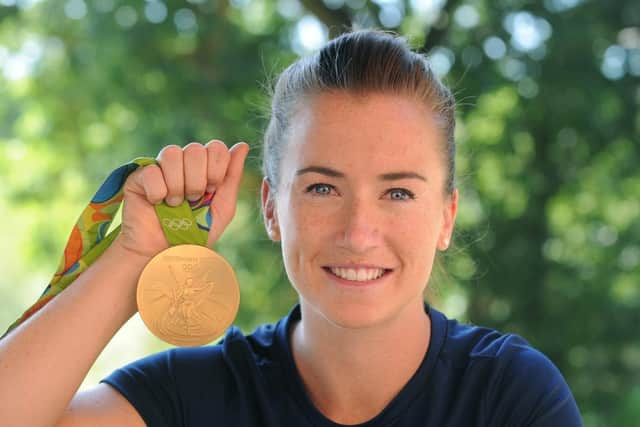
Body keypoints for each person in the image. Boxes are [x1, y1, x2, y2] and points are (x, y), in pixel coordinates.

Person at [0, 29, 582, 427]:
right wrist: (134, 259)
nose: (359, 231)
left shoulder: (511, 396)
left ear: (446, 218)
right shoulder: (194, 397)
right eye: (323, 188)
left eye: (398, 192)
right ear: (273, 208)